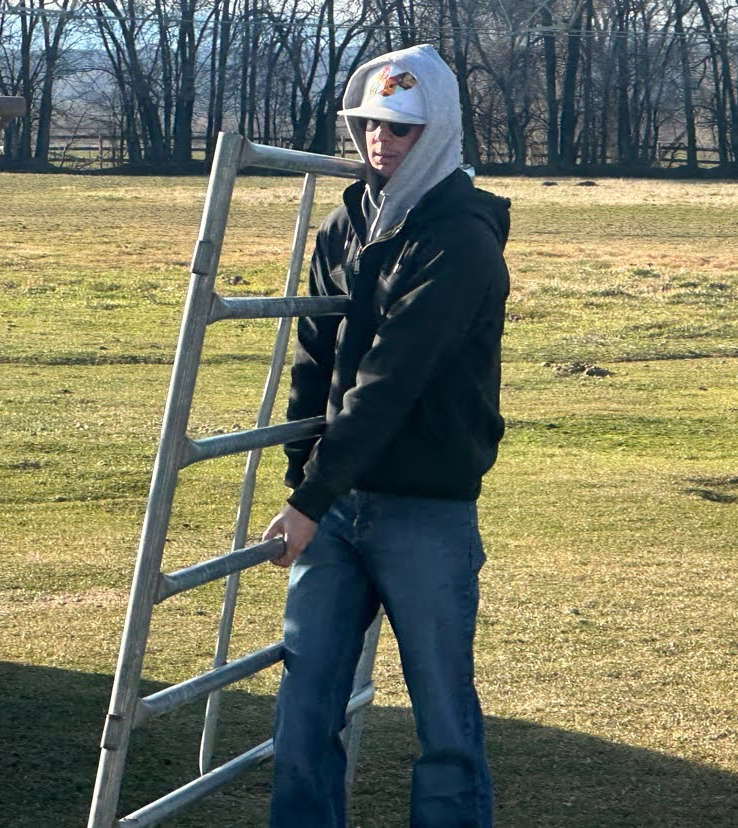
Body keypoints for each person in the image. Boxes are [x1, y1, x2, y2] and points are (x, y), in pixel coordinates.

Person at [263, 43, 510, 828]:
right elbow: (315, 355)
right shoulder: (345, 224)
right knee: (303, 713)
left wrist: (308, 497)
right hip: (335, 507)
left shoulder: (461, 238)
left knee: (443, 720)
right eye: (369, 123)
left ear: (436, 134)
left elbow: (390, 380)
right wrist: (305, 477)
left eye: (401, 128)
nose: (381, 140)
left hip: (424, 507)